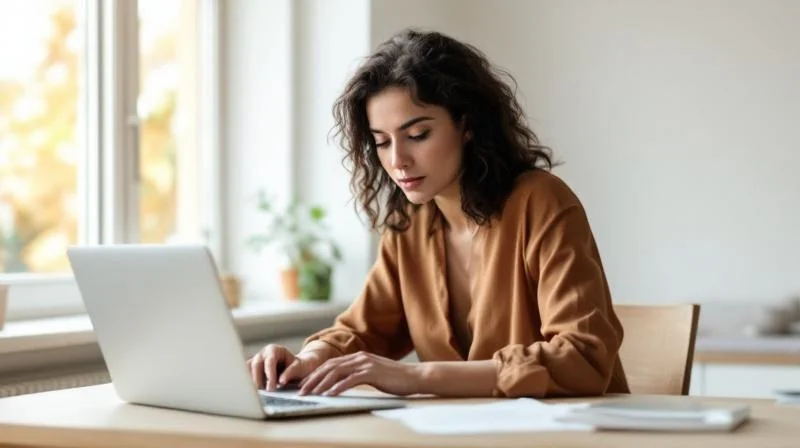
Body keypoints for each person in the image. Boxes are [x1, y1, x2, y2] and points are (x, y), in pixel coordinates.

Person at [247, 28, 630, 399]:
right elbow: (363, 331)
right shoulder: (409, 228)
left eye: (417, 135)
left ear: (466, 124)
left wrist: (418, 376)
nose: (397, 161)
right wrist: (306, 359)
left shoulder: (541, 202)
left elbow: (583, 357)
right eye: (381, 142)